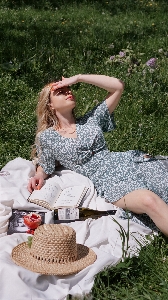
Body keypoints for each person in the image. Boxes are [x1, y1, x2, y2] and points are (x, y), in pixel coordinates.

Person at [28, 74, 168, 235]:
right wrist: (39, 174)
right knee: (149, 201)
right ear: (50, 105)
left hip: (128, 163)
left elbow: (118, 86)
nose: (68, 92)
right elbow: (46, 165)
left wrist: (79, 78)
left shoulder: (91, 120)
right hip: (109, 181)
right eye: (61, 92)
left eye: (69, 89)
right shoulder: (47, 137)